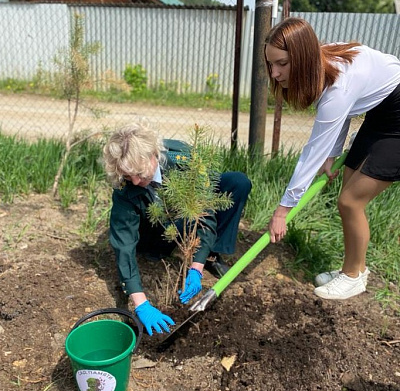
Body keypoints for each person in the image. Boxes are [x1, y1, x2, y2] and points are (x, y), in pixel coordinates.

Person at [264, 17, 400, 300]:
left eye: (282, 64)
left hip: (397, 114)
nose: (275, 73)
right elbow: (344, 113)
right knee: (348, 189)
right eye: (271, 64)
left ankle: (352, 278)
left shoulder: (337, 86)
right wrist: (334, 153)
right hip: (382, 109)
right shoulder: (324, 64)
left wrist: (283, 210)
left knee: (351, 201)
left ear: (303, 57)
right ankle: (356, 269)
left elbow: (313, 151)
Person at [103, 123, 252, 335]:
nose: (135, 181)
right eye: (128, 176)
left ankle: (210, 255)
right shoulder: (125, 188)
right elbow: (124, 245)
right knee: (151, 234)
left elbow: (205, 215)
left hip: (185, 221)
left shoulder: (184, 159)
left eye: (138, 173)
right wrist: (141, 302)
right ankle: (157, 251)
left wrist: (196, 266)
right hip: (153, 231)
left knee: (237, 182)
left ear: (154, 154)